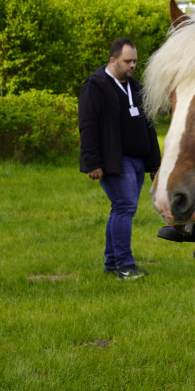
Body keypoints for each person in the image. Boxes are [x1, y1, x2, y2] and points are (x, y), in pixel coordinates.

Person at [79, 38, 162, 280]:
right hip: (115, 160)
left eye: (135, 61)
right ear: (113, 60)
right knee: (124, 207)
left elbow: (149, 127)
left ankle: (112, 263)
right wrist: (93, 162)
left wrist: (155, 165)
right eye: (128, 61)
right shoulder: (95, 86)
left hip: (137, 161)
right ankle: (125, 265)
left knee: (121, 209)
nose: (133, 65)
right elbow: (88, 126)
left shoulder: (136, 87)